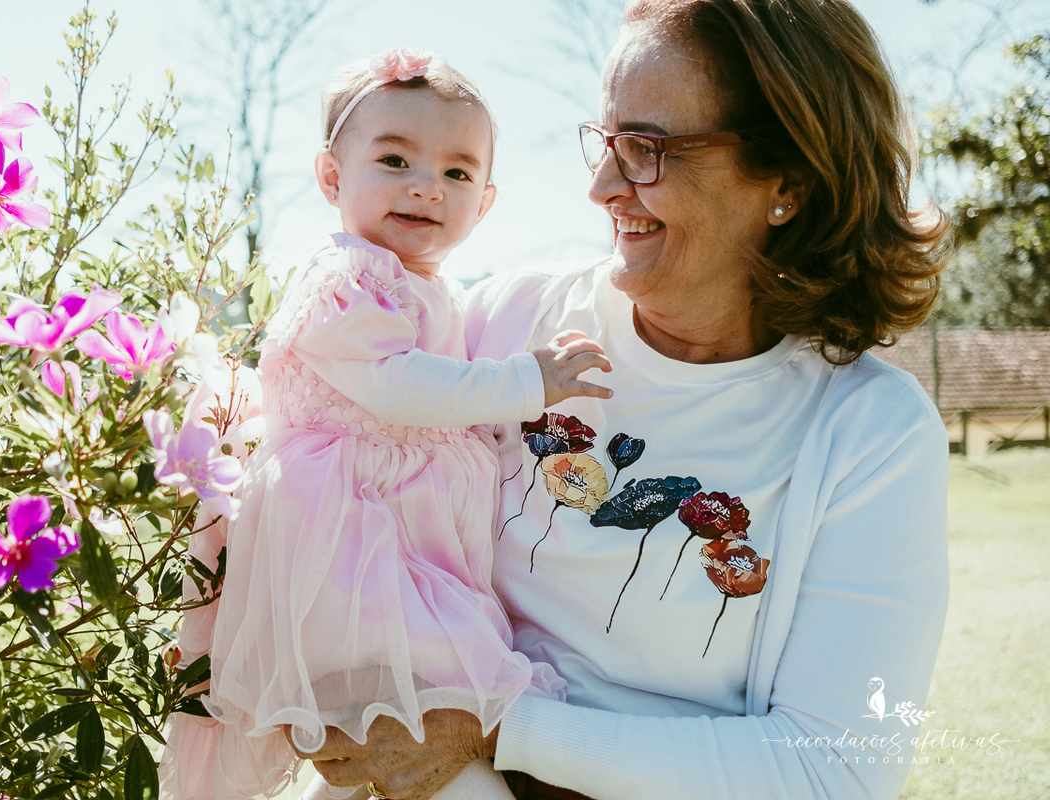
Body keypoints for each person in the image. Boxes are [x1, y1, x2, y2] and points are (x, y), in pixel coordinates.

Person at [293, 1, 952, 799]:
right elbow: (334, 455)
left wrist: (499, 728)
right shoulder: (507, 323)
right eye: (605, 143)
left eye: (647, 149)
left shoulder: (870, 431)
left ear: (786, 182)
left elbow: (836, 770)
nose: (604, 187)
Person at [158, 49, 616, 800]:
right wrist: (526, 380)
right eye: (396, 159)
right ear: (333, 177)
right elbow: (396, 386)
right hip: (349, 543)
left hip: (410, 553)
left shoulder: (446, 294)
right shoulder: (346, 275)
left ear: (486, 203)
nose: (426, 186)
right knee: (420, 732)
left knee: (371, 744)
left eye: (457, 173)